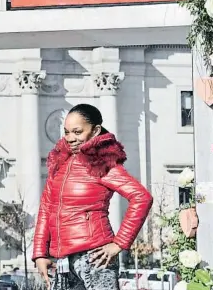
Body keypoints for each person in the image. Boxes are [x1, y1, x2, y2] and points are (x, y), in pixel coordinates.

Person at [32, 104, 153, 290]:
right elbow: (46, 208)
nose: (71, 138)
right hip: (62, 261)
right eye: (67, 132)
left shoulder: (101, 163)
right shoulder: (59, 164)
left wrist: (119, 243)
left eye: (77, 132)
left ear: (95, 130)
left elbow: (141, 197)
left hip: (96, 258)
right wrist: (40, 253)